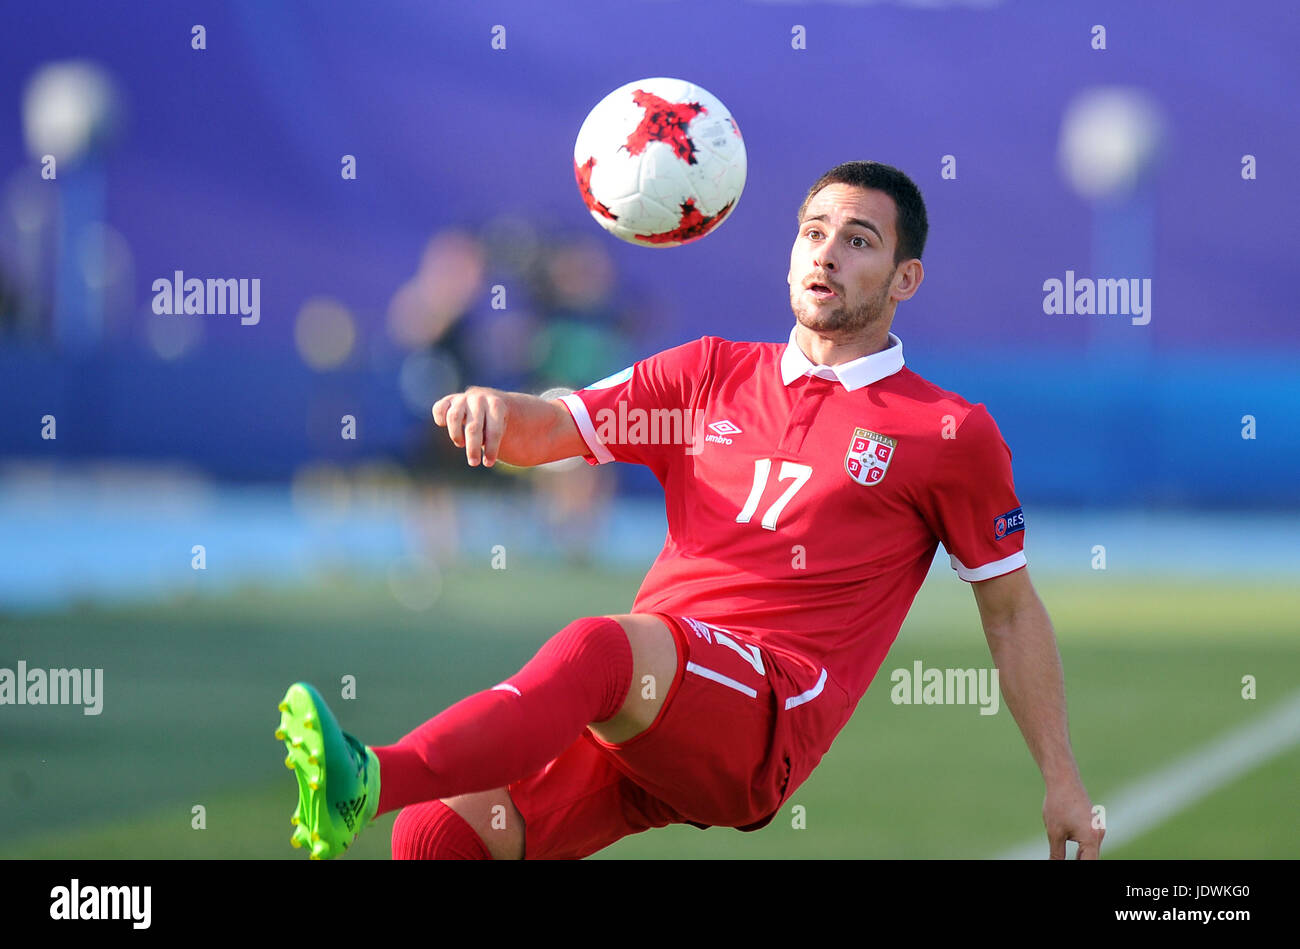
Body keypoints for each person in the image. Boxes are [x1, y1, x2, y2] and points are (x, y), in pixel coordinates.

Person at [275, 160, 1103, 861]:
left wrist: (1062, 777)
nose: (827, 254)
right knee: (439, 836)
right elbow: (556, 427)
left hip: (764, 714)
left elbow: (1009, 610)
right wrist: (495, 408)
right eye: (813, 231)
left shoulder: (946, 431)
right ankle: (398, 797)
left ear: (904, 278)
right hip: (650, 709)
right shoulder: (708, 373)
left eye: (859, 240)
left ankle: (368, 775)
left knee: (599, 645)